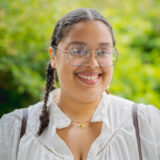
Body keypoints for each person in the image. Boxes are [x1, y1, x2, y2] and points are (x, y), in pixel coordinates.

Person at [0, 8, 159, 160]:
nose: (92, 63)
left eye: (103, 51)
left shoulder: (146, 125)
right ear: (53, 57)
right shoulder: (13, 131)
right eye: (77, 51)